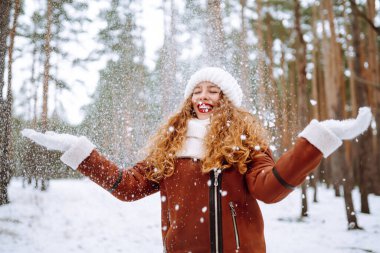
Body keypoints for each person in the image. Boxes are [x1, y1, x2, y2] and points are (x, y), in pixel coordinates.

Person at [22, 67, 372, 253]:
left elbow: (269, 190)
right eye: (197, 91)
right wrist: (81, 151)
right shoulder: (169, 149)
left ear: (226, 100)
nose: (204, 97)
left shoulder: (245, 145)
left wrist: (316, 141)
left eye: (213, 90)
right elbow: (127, 187)